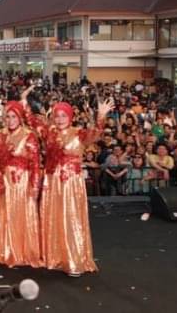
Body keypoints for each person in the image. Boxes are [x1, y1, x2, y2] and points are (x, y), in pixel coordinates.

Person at [24, 88, 112, 276]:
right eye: (57, 115)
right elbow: (31, 121)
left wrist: (101, 116)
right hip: (51, 180)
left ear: (70, 116)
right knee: (53, 216)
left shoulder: (79, 133)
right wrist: (24, 101)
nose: (60, 118)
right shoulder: (48, 132)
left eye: (64, 115)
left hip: (70, 182)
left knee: (70, 217)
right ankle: (54, 256)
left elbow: (95, 134)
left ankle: (73, 259)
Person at [0, 101, 42, 268]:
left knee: (21, 214)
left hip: (21, 182)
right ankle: (5, 249)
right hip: (3, 182)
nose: (10, 120)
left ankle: (23, 251)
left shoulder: (28, 135)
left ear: (20, 118)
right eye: (7, 117)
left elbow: (35, 164)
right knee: (5, 214)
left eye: (13, 117)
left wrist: (35, 186)